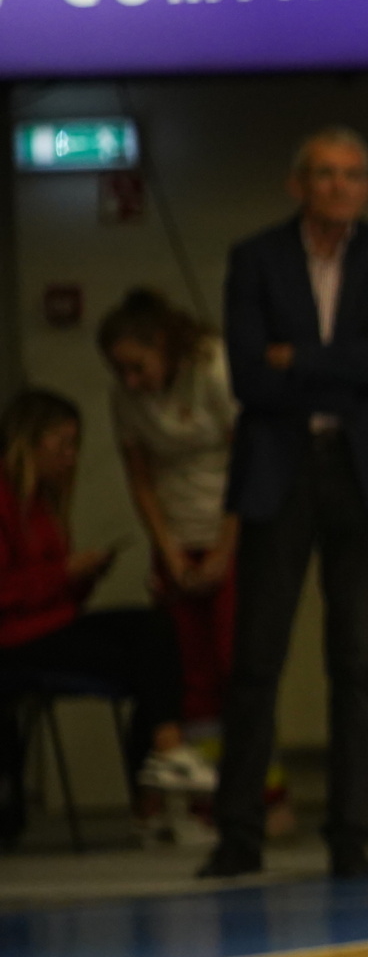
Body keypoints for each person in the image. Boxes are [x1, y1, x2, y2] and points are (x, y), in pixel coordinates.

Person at [209, 128, 368, 880]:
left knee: (357, 660)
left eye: (352, 175)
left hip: (362, 473)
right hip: (281, 468)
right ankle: (238, 834)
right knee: (256, 657)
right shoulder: (256, 257)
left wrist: (299, 357)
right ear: (297, 184)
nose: (339, 186)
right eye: (325, 174)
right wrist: (355, 359)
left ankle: (350, 836)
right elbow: (249, 376)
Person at [0, 389, 213, 826]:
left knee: (156, 640)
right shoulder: (7, 501)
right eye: (63, 445)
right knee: (149, 645)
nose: (71, 458)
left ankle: (157, 780)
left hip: (52, 622)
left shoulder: (44, 503)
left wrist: (84, 576)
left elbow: (56, 595)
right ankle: (165, 760)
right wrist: (63, 572)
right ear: (30, 441)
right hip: (15, 638)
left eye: (75, 445)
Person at [98, 288, 238, 752]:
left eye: (138, 367)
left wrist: (223, 551)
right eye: (119, 370)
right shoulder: (125, 398)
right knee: (187, 669)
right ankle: (201, 783)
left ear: (162, 343)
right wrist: (169, 553)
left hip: (229, 535)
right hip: (177, 541)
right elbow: (140, 481)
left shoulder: (213, 366)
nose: (131, 380)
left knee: (236, 662)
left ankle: (257, 783)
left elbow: (250, 461)